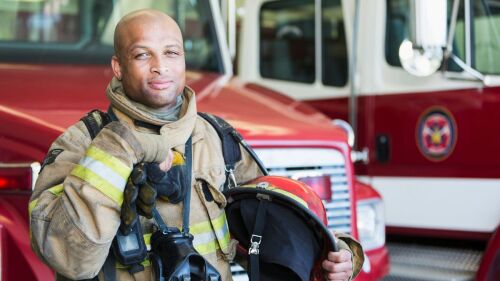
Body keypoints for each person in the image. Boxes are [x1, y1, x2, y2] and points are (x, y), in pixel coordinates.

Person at [29, 9, 363, 281]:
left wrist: (335, 258)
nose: (160, 66)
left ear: (184, 60)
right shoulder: (81, 143)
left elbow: (276, 233)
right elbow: (71, 262)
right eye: (143, 54)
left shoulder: (217, 138)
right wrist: (115, 153)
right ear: (118, 67)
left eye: (171, 53)